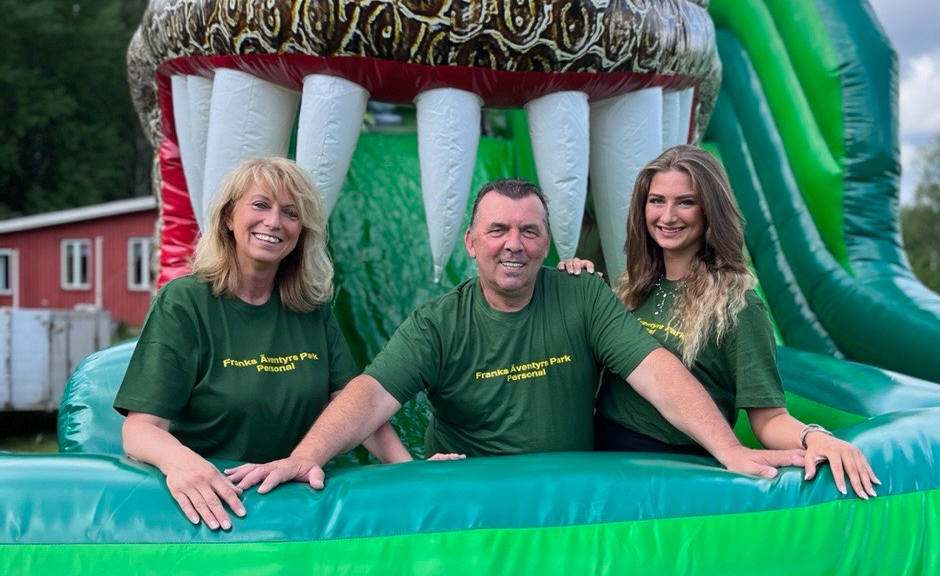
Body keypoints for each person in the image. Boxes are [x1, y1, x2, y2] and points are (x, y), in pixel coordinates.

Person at [225, 178, 804, 494]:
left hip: (570, 503)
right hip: (476, 503)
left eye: (530, 231)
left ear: (548, 245)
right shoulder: (440, 322)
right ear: (471, 243)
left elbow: (655, 371)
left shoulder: (582, 296)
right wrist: (306, 456)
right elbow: (371, 394)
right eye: (498, 230)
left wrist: (727, 449)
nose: (514, 244)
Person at [114, 158, 434, 531]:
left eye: (290, 213)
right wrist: (181, 464)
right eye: (260, 204)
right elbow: (139, 430)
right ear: (229, 217)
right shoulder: (185, 302)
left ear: (302, 232)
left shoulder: (312, 308)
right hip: (214, 506)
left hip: (298, 505)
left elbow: (353, 409)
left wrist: (410, 474)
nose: (274, 222)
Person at [558, 145, 880, 499]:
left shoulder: (738, 306)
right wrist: (571, 286)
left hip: (674, 476)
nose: (667, 216)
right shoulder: (631, 287)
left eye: (685, 202)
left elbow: (768, 418)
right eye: (656, 201)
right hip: (601, 460)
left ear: (710, 209)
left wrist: (816, 437)